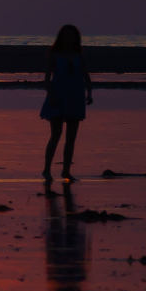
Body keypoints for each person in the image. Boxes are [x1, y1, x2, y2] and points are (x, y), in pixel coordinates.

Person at [39, 23, 92, 181]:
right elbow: (47, 79)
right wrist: (51, 95)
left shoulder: (78, 55)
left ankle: (66, 171)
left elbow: (85, 75)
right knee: (56, 135)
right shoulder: (54, 54)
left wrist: (90, 92)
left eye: (72, 35)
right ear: (61, 37)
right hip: (58, 96)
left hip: (75, 97)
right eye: (66, 35)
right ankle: (47, 169)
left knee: (71, 138)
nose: (69, 38)